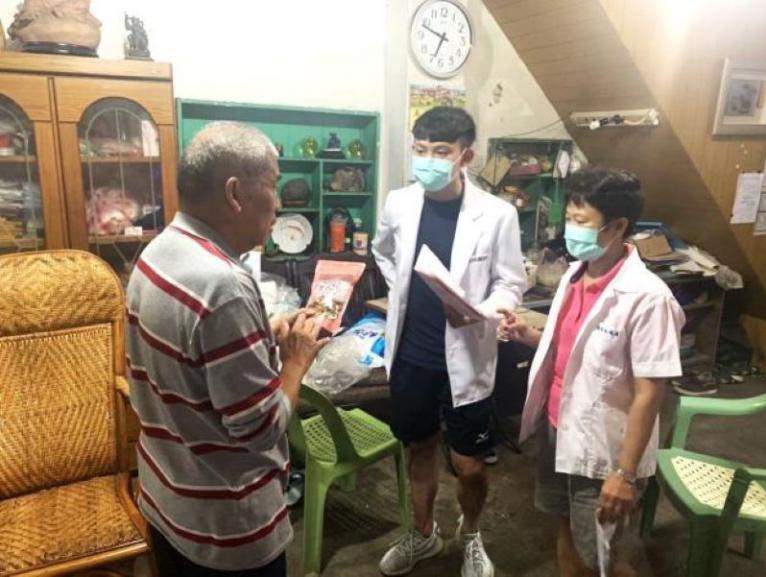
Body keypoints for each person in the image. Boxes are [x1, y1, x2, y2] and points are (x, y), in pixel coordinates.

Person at [126, 121, 326, 577]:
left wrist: (261, 332)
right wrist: (295, 362)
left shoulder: (158, 251)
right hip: (227, 529)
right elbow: (261, 429)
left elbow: (189, 357)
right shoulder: (224, 286)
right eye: (273, 185)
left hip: (167, 499)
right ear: (236, 193)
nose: (278, 204)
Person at [499, 167, 685, 577]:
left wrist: (624, 474)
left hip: (605, 449)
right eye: (569, 217)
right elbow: (575, 351)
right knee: (566, 529)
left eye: (581, 220)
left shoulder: (649, 299)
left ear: (617, 227)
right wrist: (529, 335)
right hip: (557, 428)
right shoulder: (576, 274)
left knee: (605, 555)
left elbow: (649, 393)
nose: (570, 228)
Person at [372, 106, 526, 577]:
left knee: (470, 465)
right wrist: (401, 287)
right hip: (412, 354)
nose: (428, 160)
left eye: (441, 151)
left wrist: (483, 310)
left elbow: (510, 282)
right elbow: (382, 250)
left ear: (466, 156)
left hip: (466, 357)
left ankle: (471, 533)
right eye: (420, 150)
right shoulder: (399, 202)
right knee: (419, 448)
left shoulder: (497, 215)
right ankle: (423, 534)